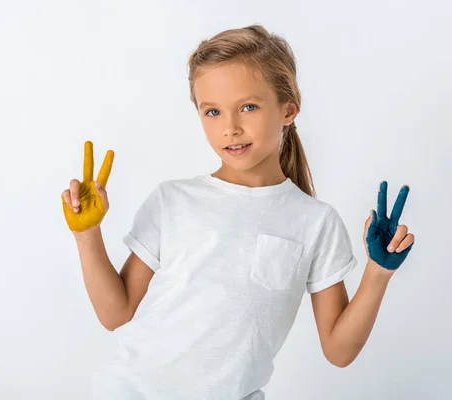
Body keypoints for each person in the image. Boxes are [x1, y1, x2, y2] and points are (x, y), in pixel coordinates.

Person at [60, 24, 416, 400]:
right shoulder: (173, 200)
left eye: (248, 107)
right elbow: (115, 314)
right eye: (212, 111)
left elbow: (339, 351)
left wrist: (378, 273)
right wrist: (87, 235)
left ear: (288, 109)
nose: (229, 128)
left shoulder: (315, 222)